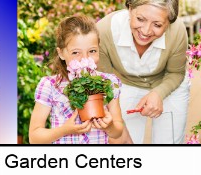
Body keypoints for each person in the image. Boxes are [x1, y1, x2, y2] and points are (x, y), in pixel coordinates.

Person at [97, 0, 190, 144]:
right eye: (140, 19)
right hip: (122, 85)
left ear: (168, 23)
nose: (146, 31)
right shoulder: (104, 31)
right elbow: (105, 81)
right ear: (130, 9)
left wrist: (158, 93)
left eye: (157, 25)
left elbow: (175, 73)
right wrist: (117, 122)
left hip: (169, 83)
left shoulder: (177, 31)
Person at [29, 15, 128, 144]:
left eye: (92, 51)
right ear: (61, 53)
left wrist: (109, 127)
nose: (85, 58)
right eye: (76, 52)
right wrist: (65, 130)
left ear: (99, 48)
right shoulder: (50, 85)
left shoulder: (108, 82)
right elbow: (34, 137)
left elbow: (118, 130)